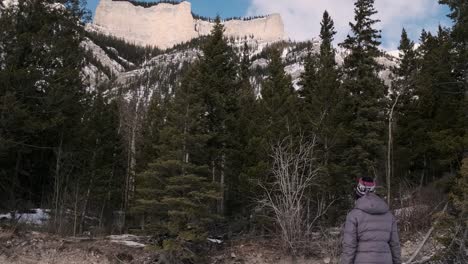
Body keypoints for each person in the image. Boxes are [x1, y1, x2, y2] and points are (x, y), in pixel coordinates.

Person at [340, 177, 402, 264]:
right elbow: (395, 245)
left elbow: (349, 247)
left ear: (358, 193)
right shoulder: (389, 215)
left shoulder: (353, 215)